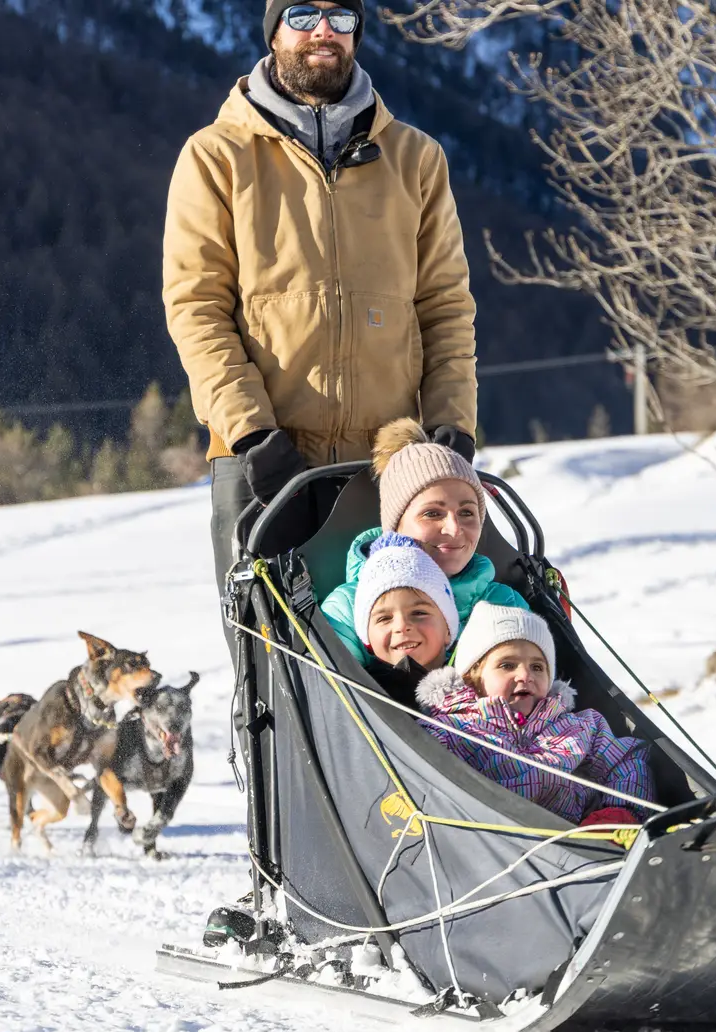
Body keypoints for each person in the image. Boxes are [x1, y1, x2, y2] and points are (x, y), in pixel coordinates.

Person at [163, 0, 479, 590]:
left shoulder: (415, 159)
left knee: (398, 665)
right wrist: (253, 435)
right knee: (274, 667)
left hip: (388, 470)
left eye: (342, 18)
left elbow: (445, 307)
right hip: (263, 463)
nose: (324, 32)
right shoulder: (216, 155)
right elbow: (196, 309)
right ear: (274, 30)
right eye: (304, 15)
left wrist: (452, 426)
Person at [416, 604, 655, 826]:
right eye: (507, 665)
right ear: (473, 677)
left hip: (579, 843)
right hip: (494, 845)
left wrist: (618, 814)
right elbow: (423, 779)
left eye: (537, 667)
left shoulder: (578, 726)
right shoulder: (451, 730)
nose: (525, 675)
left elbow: (625, 761)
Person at [323, 419, 523, 659]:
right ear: (395, 527)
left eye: (467, 513)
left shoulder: (502, 603)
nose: (454, 529)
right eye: (432, 514)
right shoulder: (347, 609)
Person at [348, 532, 458, 706]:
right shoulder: (360, 697)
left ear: (448, 628)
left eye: (419, 613)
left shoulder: (477, 682)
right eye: (384, 618)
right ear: (367, 639)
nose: (402, 626)